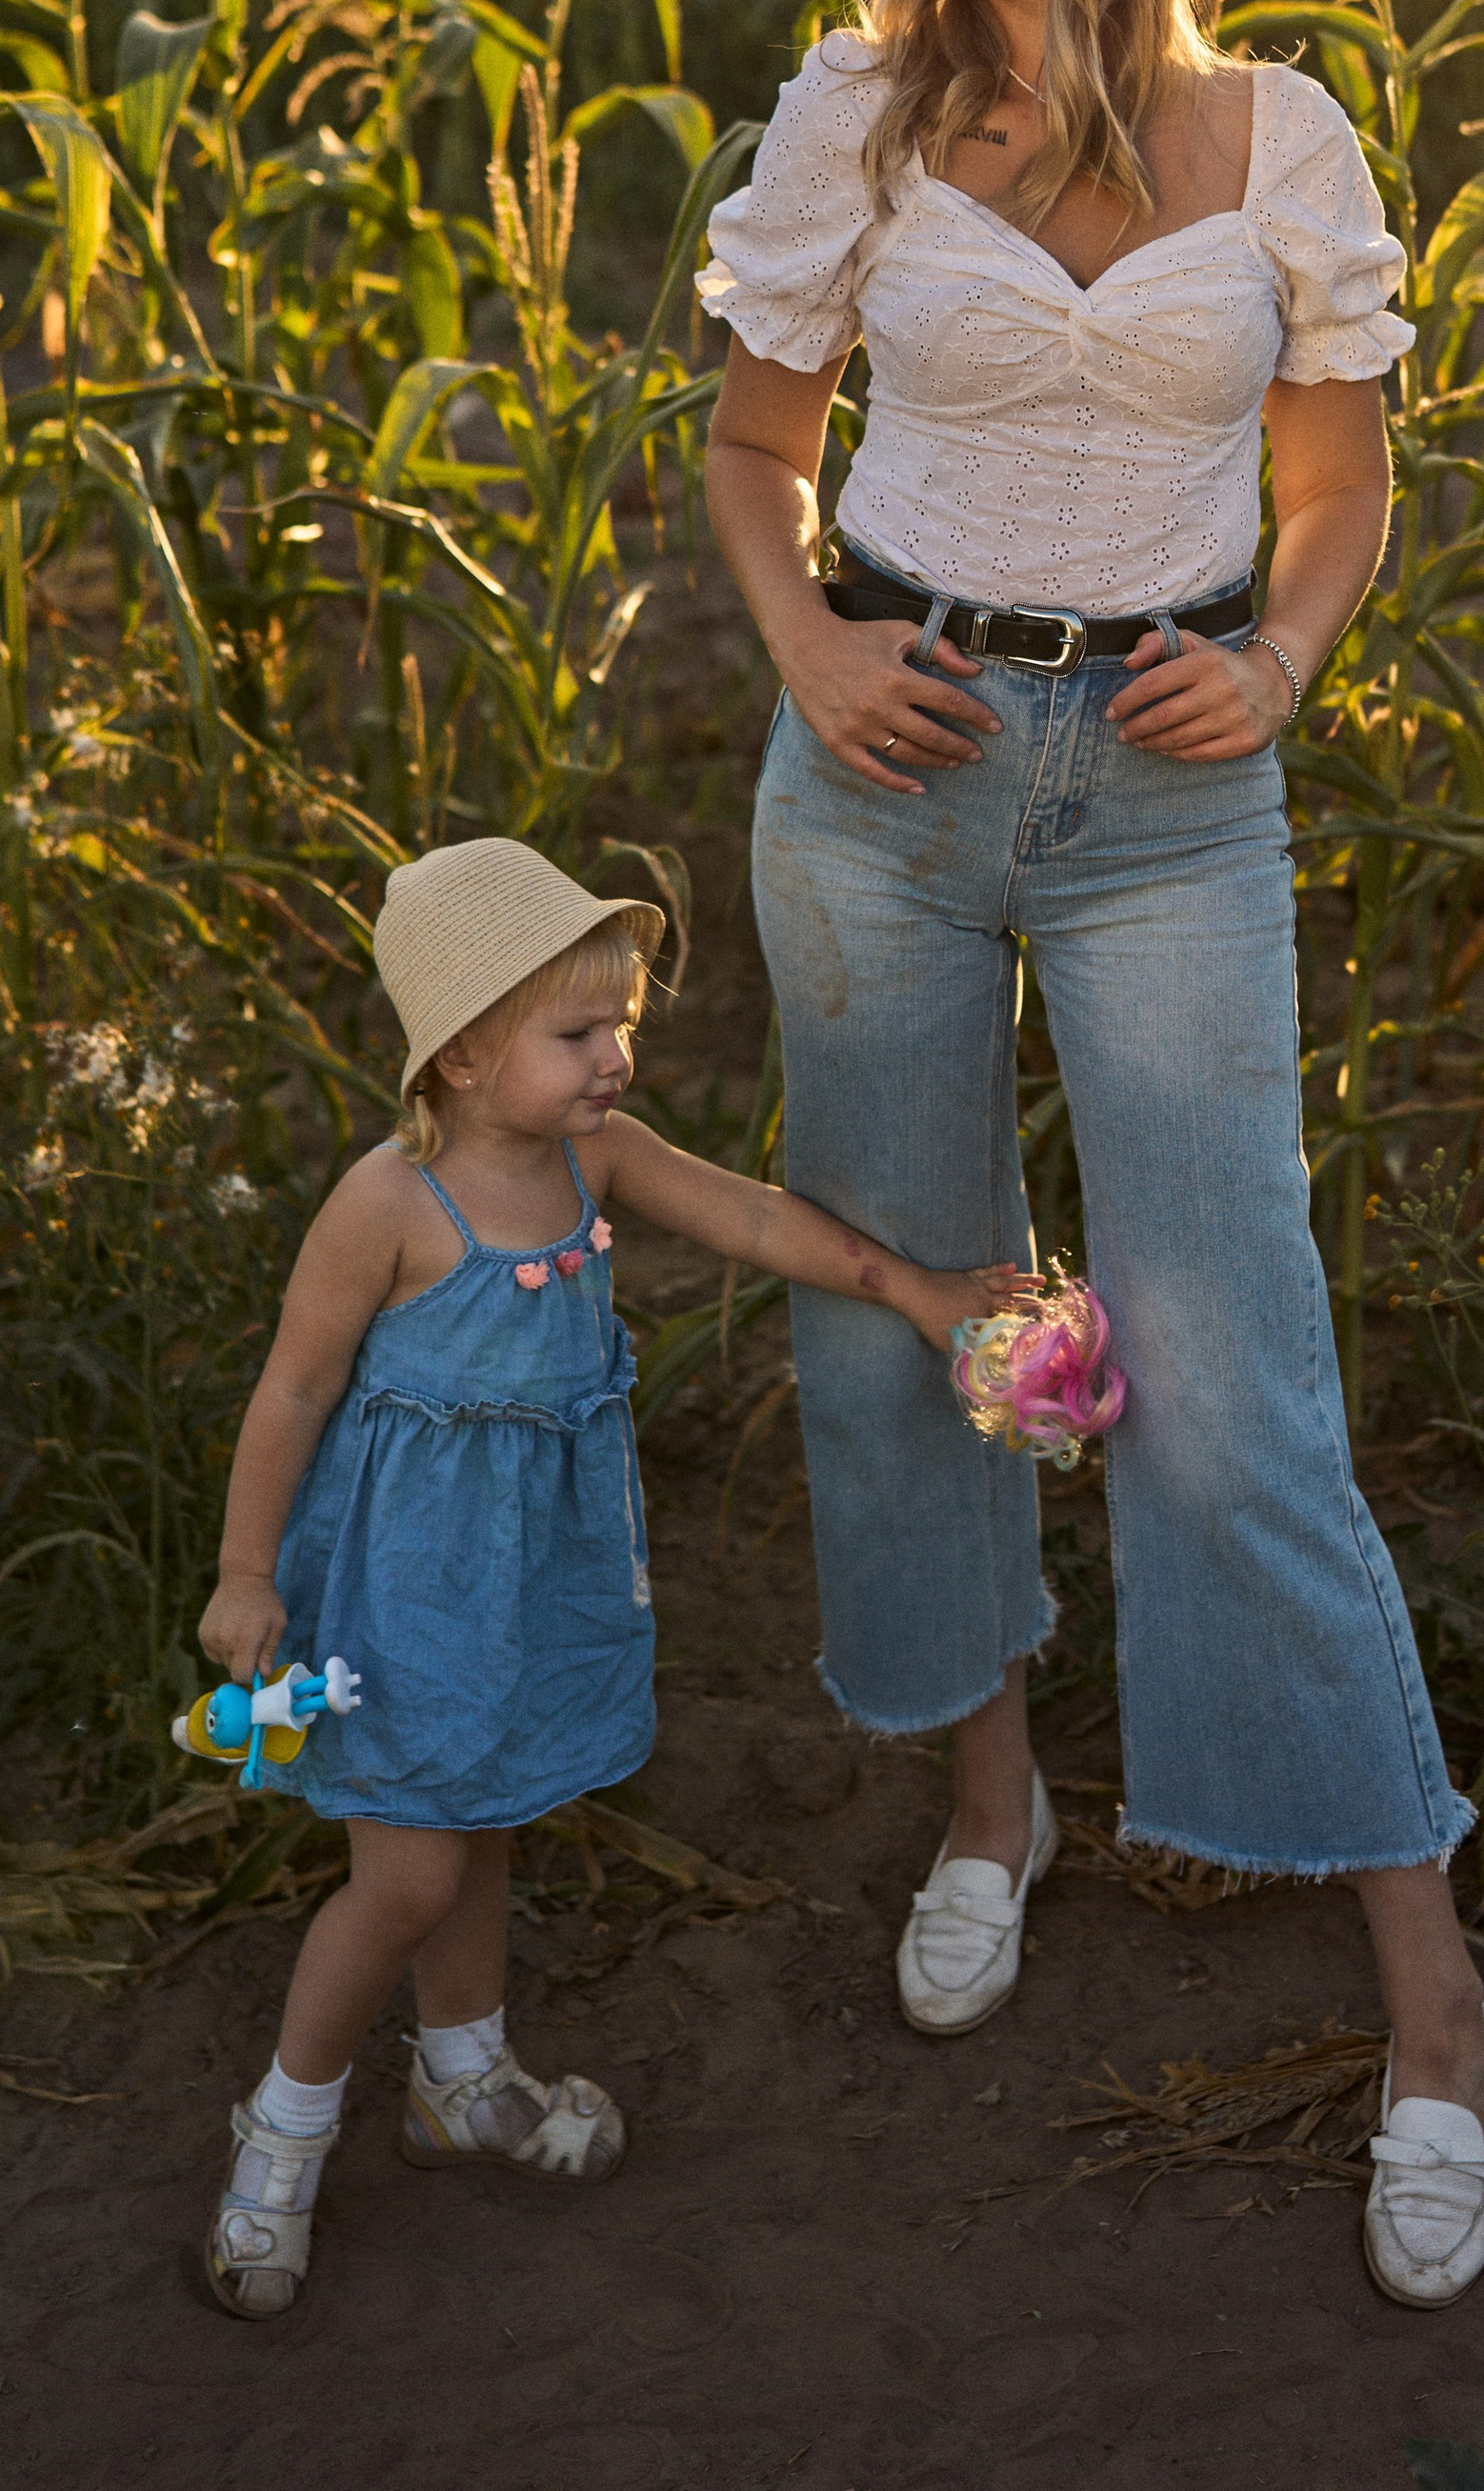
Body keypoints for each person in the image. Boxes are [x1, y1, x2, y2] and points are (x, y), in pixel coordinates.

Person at [698, 0, 1484, 2308]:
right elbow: (753, 445)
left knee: (1223, 1358)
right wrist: (808, 653)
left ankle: (1429, 2000)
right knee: (907, 1312)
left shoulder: (1277, 136)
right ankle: (990, 1802)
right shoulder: (849, 117)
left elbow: (1337, 484)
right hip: (888, 772)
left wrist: (1278, 665)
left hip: (1169, 795)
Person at [194, 833, 1016, 2320]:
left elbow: (753, 1217)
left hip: (536, 1575)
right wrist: (247, 1571)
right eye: (577, 1034)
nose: (615, 1058)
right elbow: (295, 1389)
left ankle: (463, 2076)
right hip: (405, 1591)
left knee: (487, 1811)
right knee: (408, 1873)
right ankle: (283, 2132)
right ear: (458, 1054)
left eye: (620, 1024)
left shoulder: (599, 1159)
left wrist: (914, 1292)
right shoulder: (390, 1204)